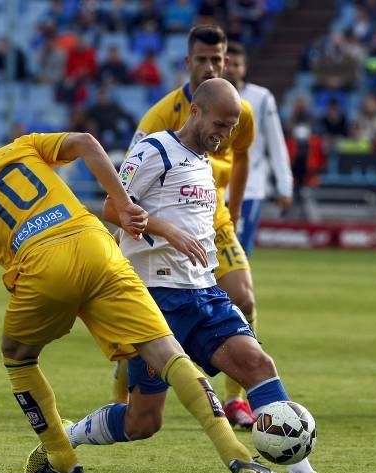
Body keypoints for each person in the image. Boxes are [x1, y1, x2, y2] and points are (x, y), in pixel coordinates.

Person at [0, 130, 283, 473]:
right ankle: (237, 456)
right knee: (167, 353)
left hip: (41, 267)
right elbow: (87, 142)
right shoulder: (20, 147)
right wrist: (123, 202)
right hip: (97, 245)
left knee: (17, 355)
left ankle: (61, 459)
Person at [22, 79, 357, 473]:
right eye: (220, 123)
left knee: (258, 365)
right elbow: (113, 206)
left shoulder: (204, 162)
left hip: (205, 295)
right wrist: (168, 231)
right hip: (154, 301)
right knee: (144, 422)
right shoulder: (154, 150)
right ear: (195, 112)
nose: (225, 134)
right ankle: (67, 436)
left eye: (232, 127)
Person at [120, 24, 259, 430]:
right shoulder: (161, 116)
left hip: (215, 222)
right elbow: (124, 190)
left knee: (244, 301)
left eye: (218, 59)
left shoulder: (239, 111)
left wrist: (232, 211)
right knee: (149, 330)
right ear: (188, 63)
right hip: (165, 229)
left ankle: (236, 400)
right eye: (202, 59)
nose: (211, 65)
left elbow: (244, 158)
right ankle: (126, 398)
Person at [224, 42, 292, 256]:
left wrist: (285, 186)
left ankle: (234, 290)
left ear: (244, 68)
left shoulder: (261, 98)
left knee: (237, 251)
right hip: (214, 186)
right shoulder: (209, 95)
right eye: (228, 63)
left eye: (237, 64)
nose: (232, 68)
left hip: (250, 186)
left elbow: (276, 143)